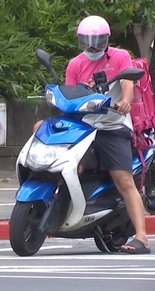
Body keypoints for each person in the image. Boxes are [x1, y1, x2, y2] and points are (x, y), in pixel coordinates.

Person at [58, 15, 148, 254]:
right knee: (63, 165)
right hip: (85, 126)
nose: (92, 47)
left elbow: (128, 85)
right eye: (87, 41)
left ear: (106, 40)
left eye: (97, 41)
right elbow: (69, 96)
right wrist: (81, 91)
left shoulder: (120, 57)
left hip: (112, 125)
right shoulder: (75, 64)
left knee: (124, 181)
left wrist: (125, 102)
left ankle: (141, 237)